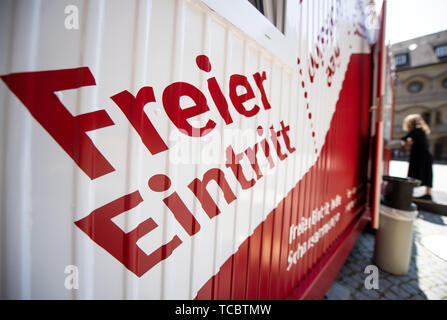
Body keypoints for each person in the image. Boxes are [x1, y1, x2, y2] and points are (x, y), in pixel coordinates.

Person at [401, 114, 433, 200]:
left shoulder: (415, 131)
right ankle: (428, 194)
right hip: (425, 155)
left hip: (419, 156)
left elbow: (404, 139)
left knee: (413, 173)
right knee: (427, 174)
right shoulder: (421, 131)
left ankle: (409, 193)